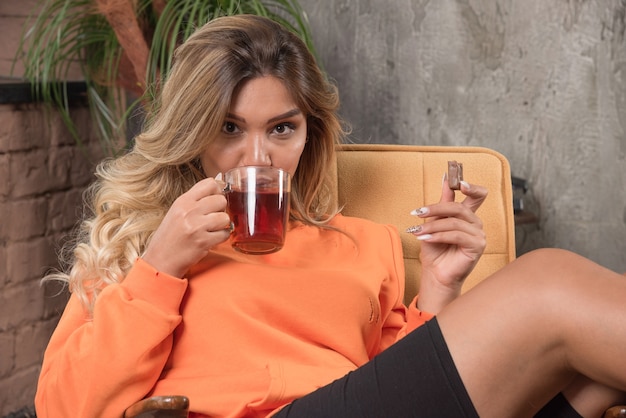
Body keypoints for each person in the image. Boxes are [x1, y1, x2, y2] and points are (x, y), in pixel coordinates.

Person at [34, 14, 626, 418]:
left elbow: (409, 388)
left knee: (596, 378)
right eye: (230, 129)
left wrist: (442, 287)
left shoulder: (363, 243)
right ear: (192, 136)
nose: (259, 157)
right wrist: (161, 268)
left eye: (282, 129)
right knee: (547, 285)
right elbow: (62, 407)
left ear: (309, 135)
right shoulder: (140, 244)